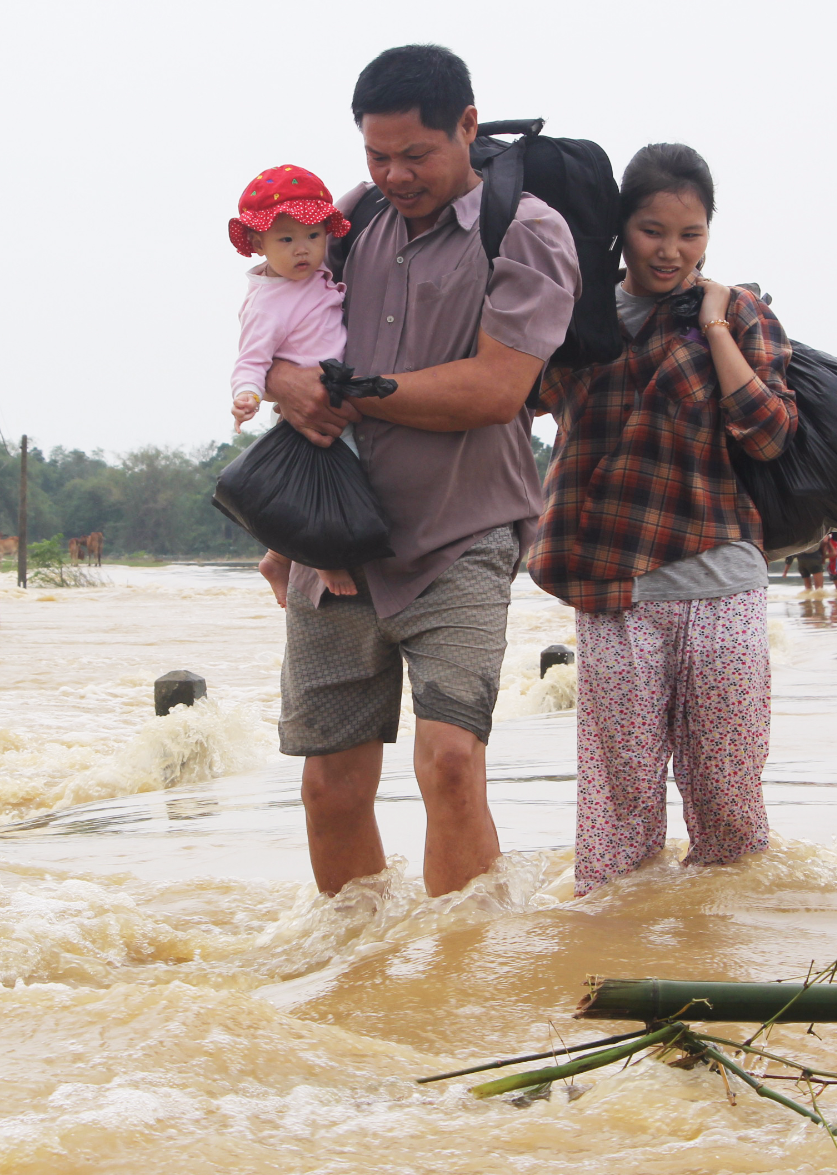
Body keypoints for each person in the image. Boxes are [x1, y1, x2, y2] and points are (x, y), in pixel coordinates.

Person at [259, 44, 580, 897]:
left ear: (468, 129)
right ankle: (360, 988)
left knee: (447, 764)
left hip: (462, 533)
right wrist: (282, 381)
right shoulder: (351, 219)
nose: (394, 174)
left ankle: (460, 986)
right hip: (337, 536)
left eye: (416, 154)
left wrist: (350, 394)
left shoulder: (530, 232)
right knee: (329, 787)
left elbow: (495, 385)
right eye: (376, 155)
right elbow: (279, 328)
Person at [526, 142, 797, 896]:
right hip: (614, 587)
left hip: (723, 582)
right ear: (622, 228)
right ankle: (621, 960)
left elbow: (771, 431)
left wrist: (712, 328)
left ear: (710, 232)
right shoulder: (578, 313)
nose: (671, 251)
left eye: (691, 234)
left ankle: (724, 965)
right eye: (652, 231)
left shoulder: (740, 312)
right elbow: (522, 396)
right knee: (618, 812)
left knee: (728, 801)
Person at [225, 164, 360, 601]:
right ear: (258, 243)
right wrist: (246, 394)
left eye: (313, 237)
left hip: (332, 392)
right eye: (286, 240)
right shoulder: (268, 301)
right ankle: (320, 555)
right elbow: (251, 359)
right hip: (308, 403)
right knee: (332, 480)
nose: (302, 250)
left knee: (323, 477)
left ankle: (276, 558)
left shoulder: (309, 280)